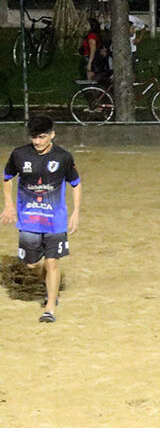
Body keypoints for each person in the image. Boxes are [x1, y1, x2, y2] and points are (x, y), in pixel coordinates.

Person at [1, 115, 82, 323]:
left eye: (42, 137)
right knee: (31, 265)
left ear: (52, 135)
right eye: (34, 137)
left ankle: (50, 306)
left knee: (52, 261)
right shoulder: (19, 155)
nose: (37, 142)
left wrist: (75, 212)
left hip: (55, 219)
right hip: (29, 220)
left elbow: (75, 183)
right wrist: (9, 205)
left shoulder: (63, 157)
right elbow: (8, 177)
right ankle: (48, 280)